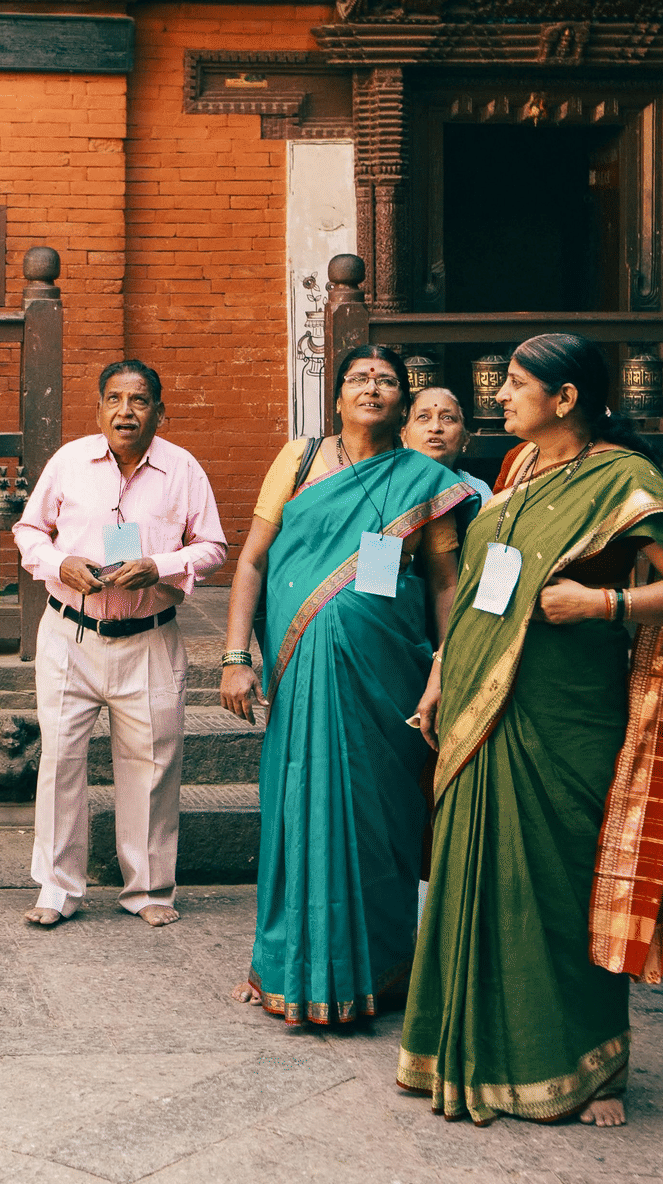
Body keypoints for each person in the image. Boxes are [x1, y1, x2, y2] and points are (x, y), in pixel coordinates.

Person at [397, 333, 663, 1126]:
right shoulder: (512, 473)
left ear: (567, 397)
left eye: (515, 384)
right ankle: (463, 1050)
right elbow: (479, 589)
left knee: (557, 885)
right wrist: (442, 675)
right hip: (478, 698)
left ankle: (588, 1067)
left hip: (564, 714)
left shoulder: (623, 479)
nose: (500, 397)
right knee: (478, 878)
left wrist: (604, 604)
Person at [221, 346, 477, 1023]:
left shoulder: (423, 477)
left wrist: (446, 667)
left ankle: (378, 969)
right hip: (299, 673)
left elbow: (446, 585)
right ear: (335, 396)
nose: (372, 387)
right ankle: (285, 965)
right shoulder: (299, 459)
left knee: (377, 818)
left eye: (387, 379)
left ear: (402, 400)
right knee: (296, 809)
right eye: (358, 378)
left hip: (385, 681)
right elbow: (251, 561)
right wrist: (233, 655)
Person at [13, 360, 227, 928]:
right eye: (114, 399)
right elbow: (28, 532)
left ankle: (149, 889)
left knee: (153, 765)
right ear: (99, 408)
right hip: (70, 634)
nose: (125, 411)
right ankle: (57, 889)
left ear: (159, 410)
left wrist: (160, 566)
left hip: (149, 639)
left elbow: (212, 546)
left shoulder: (183, 469)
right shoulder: (69, 463)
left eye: (138, 400)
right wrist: (63, 564)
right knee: (60, 760)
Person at [402, 387, 491, 502]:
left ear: (465, 438)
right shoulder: (387, 486)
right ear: (404, 435)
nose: (435, 428)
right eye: (423, 417)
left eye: (447, 418)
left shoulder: (479, 491)